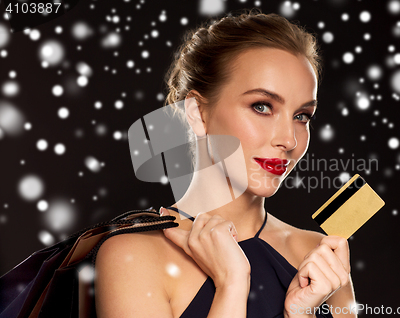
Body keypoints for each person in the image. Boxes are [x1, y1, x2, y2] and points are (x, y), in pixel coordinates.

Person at [94, 9, 357, 318]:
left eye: (301, 116)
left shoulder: (318, 258)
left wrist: (300, 315)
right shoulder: (132, 256)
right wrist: (231, 283)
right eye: (262, 106)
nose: (290, 140)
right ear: (197, 113)